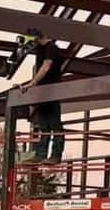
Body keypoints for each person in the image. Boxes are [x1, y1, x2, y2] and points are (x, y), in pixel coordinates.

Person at [7, 31, 68, 162]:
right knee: (44, 125)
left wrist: (33, 83)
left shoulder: (51, 48)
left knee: (54, 123)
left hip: (52, 90)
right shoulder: (41, 49)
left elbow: (46, 67)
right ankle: (41, 154)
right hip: (43, 91)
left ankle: (56, 155)